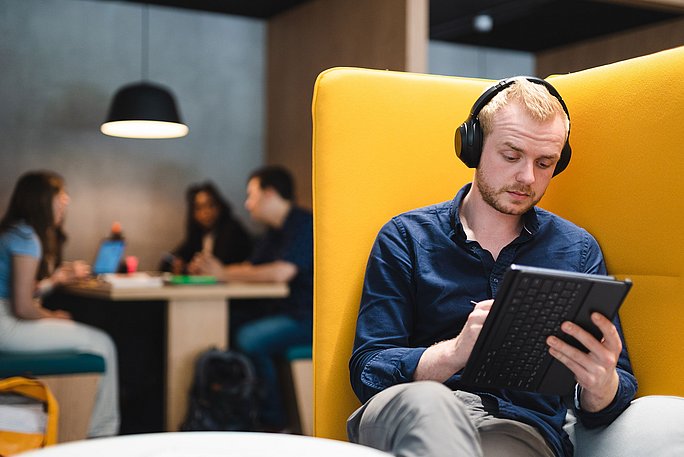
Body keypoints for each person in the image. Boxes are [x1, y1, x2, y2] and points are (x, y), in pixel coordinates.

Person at [347, 78, 637, 457]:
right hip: (412, 408)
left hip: (514, 430)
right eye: (511, 155)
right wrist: (453, 353)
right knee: (432, 405)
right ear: (473, 146)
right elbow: (368, 369)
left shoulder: (577, 250)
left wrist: (602, 386)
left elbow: (620, 385)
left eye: (545, 163)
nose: (528, 178)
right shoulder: (406, 236)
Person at [189, 165, 313, 431]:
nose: (247, 204)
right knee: (230, 324)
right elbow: (248, 266)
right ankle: (232, 411)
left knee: (250, 338)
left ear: (269, 193)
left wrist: (223, 273)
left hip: (306, 317)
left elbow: (281, 272)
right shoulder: (273, 233)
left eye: (251, 195)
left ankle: (273, 422)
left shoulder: (304, 225)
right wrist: (216, 270)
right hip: (280, 311)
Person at [0, 171, 120, 437]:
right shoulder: (26, 237)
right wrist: (53, 316)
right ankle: (101, 435)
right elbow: (22, 307)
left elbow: (18, 293)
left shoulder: (13, 232)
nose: (66, 201)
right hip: (5, 328)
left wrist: (53, 281)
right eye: (60, 195)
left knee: (96, 339)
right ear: (43, 200)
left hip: (5, 321)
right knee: (103, 343)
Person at [161, 181, 252, 274]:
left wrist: (190, 268)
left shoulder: (232, 230)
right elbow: (170, 260)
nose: (206, 212)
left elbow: (220, 264)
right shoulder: (197, 234)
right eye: (199, 208)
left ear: (220, 206)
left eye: (211, 205)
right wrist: (176, 265)